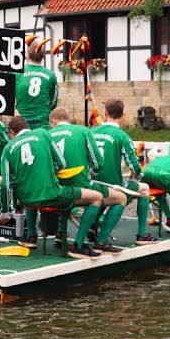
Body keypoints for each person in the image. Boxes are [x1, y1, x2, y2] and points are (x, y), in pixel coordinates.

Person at [1, 115, 122, 259]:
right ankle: (78, 246)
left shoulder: (7, 149)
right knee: (97, 197)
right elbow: (61, 163)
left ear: (11, 132)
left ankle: (32, 236)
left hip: (27, 200)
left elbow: (5, 184)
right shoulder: (42, 133)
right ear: (27, 127)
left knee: (33, 188)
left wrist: (5, 212)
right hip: (52, 195)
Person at [47, 107, 127, 252]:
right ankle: (98, 242)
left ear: (53, 121)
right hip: (79, 189)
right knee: (121, 198)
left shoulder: (47, 135)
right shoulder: (83, 130)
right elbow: (98, 163)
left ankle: (60, 232)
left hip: (55, 190)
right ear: (68, 120)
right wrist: (90, 174)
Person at [91, 99, 156, 245]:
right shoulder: (122, 136)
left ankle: (93, 225)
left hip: (90, 183)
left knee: (106, 195)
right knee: (144, 189)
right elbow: (135, 167)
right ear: (122, 115)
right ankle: (142, 235)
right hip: (111, 185)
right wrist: (138, 174)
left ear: (105, 113)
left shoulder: (91, 132)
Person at [15, 39, 58, 129]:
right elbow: (53, 101)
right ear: (43, 56)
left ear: (27, 55)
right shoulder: (51, 75)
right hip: (43, 122)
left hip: (22, 121)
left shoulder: (18, 72)